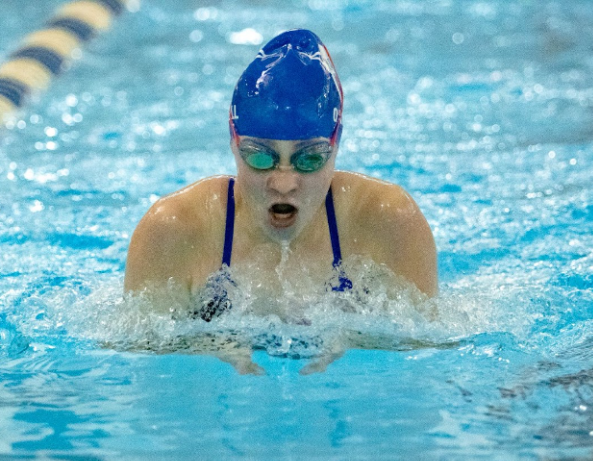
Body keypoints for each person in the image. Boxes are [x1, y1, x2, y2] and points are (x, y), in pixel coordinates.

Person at [125, 29, 437, 324]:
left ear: (335, 149)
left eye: (309, 158)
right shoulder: (175, 231)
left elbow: (429, 351)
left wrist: (352, 341)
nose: (284, 183)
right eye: (261, 157)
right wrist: (207, 346)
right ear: (234, 145)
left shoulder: (389, 223)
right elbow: (135, 355)